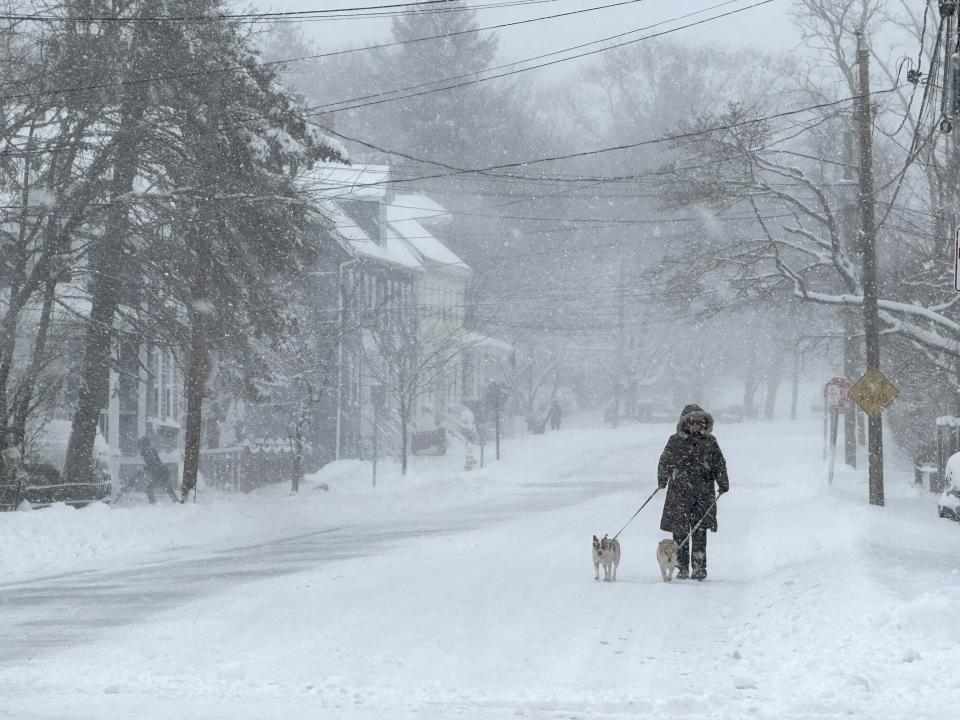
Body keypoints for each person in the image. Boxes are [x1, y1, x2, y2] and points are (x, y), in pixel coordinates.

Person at [657, 404, 729, 581]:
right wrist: (662, 479)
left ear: (705, 424)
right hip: (679, 493)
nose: (696, 426)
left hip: (703, 493)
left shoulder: (710, 442)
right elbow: (665, 461)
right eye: (692, 423)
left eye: (700, 423)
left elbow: (719, 463)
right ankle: (681, 566)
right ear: (685, 424)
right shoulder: (675, 441)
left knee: (699, 532)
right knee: (680, 531)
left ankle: (698, 567)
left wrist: (723, 481)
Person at [137, 436, 180, 504]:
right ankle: (176, 502)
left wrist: (144, 468)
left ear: (144, 445)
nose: (139, 449)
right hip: (162, 473)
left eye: (140, 446)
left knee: (149, 490)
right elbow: (154, 463)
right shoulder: (149, 451)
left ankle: (153, 504)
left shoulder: (148, 452)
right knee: (168, 490)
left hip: (159, 474)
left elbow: (153, 464)